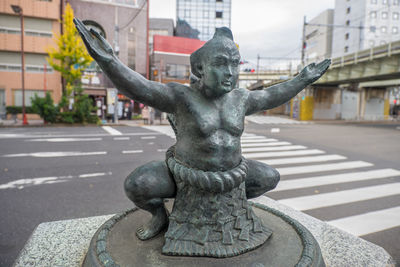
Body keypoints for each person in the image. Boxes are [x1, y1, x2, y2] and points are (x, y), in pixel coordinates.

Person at [74, 19, 330, 241]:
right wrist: (107, 59)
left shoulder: (240, 98)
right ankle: (160, 217)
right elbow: (139, 87)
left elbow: (272, 95)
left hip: (231, 177)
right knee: (138, 184)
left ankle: (230, 210)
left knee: (269, 177)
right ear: (199, 68)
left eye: (235, 64)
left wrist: (302, 79)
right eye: (221, 64)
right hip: (185, 176)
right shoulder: (180, 96)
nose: (230, 73)